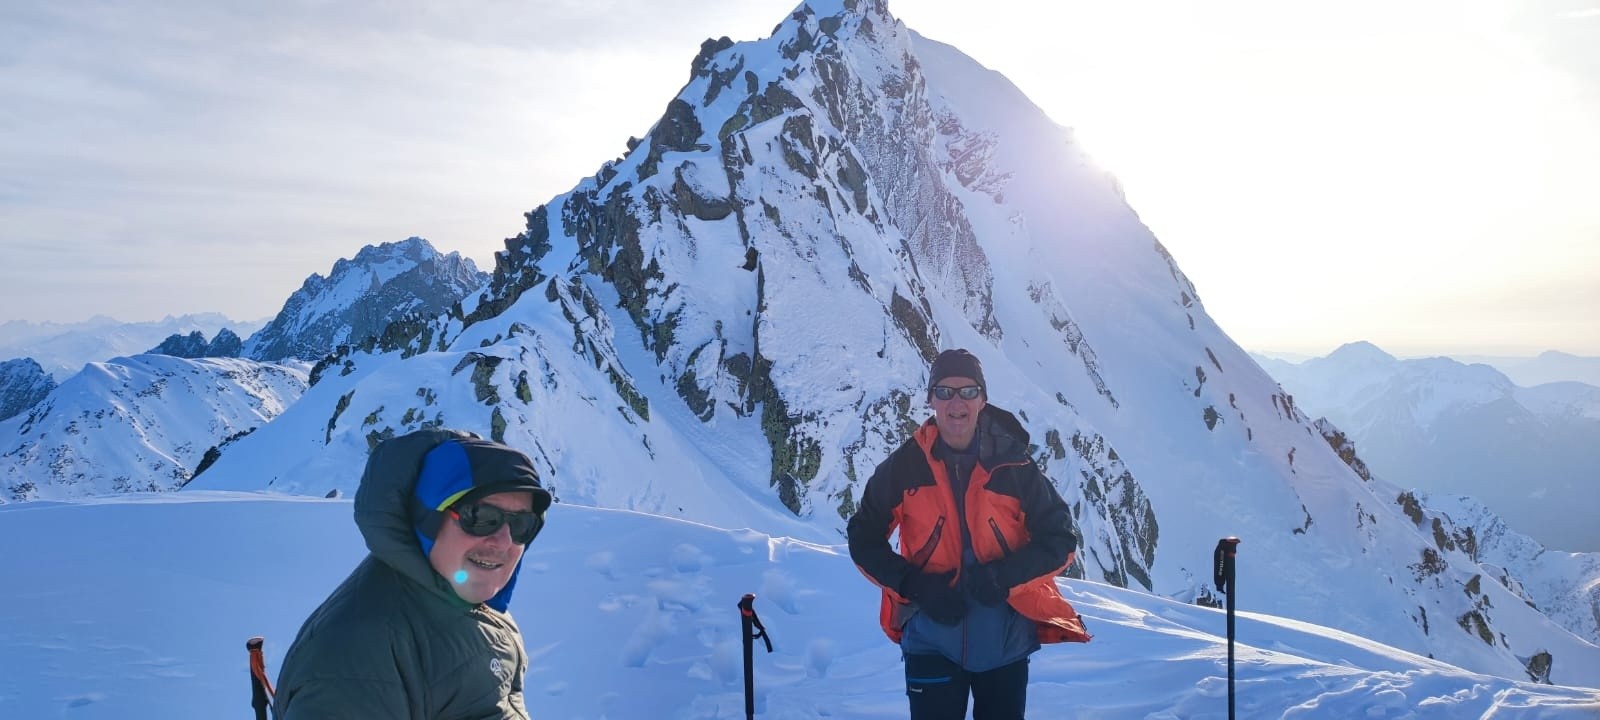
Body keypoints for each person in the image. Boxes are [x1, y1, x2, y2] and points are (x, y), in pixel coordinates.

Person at [848, 349, 1091, 720]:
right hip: (930, 640)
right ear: (930, 399)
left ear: (983, 399)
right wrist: (914, 585)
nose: (956, 402)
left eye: (967, 391)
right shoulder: (905, 466)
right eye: (944, 392)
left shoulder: (1015, 467)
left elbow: (1059, 539)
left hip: (1005, 644)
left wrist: (1003, 579)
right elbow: (863, 536)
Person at [274, 428, 553, 719]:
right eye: (481, 517)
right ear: (427, 518)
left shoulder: (472, 603)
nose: (504, 542)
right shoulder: (357, 655)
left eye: (522, 525)